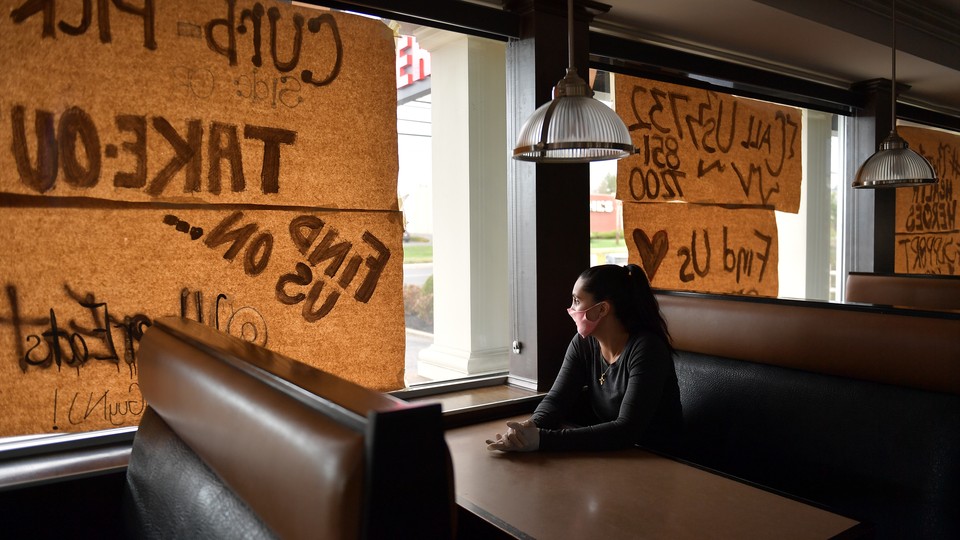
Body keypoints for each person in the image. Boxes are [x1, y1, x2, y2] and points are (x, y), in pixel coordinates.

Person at [486, 263, 682, 452]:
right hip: (616, 455)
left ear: (602, 309)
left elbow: (627, 429)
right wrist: (527, 429)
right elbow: (557, 400)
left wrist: (542, 440)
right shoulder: (583, 343)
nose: (571, 308)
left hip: (659, 459)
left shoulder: (647, 349)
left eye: (577, 301)